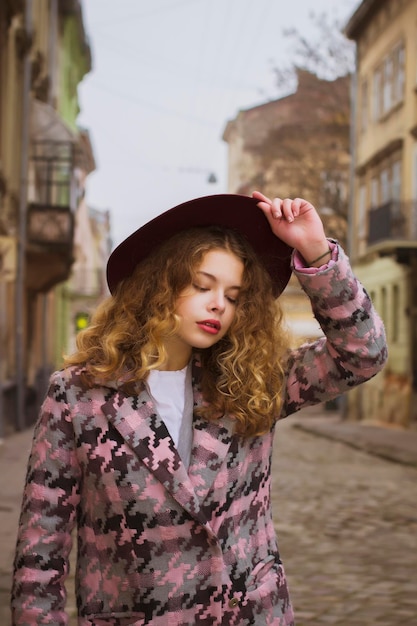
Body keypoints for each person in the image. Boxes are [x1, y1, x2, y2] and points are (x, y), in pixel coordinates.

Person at [11, 191, 387, 626]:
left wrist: (317, 252)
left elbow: (363, 352)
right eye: (202, 286)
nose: (218, 306)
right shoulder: (79, 396)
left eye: (233, 295)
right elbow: (41, 555)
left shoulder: (252, 380)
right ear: (160, 284)